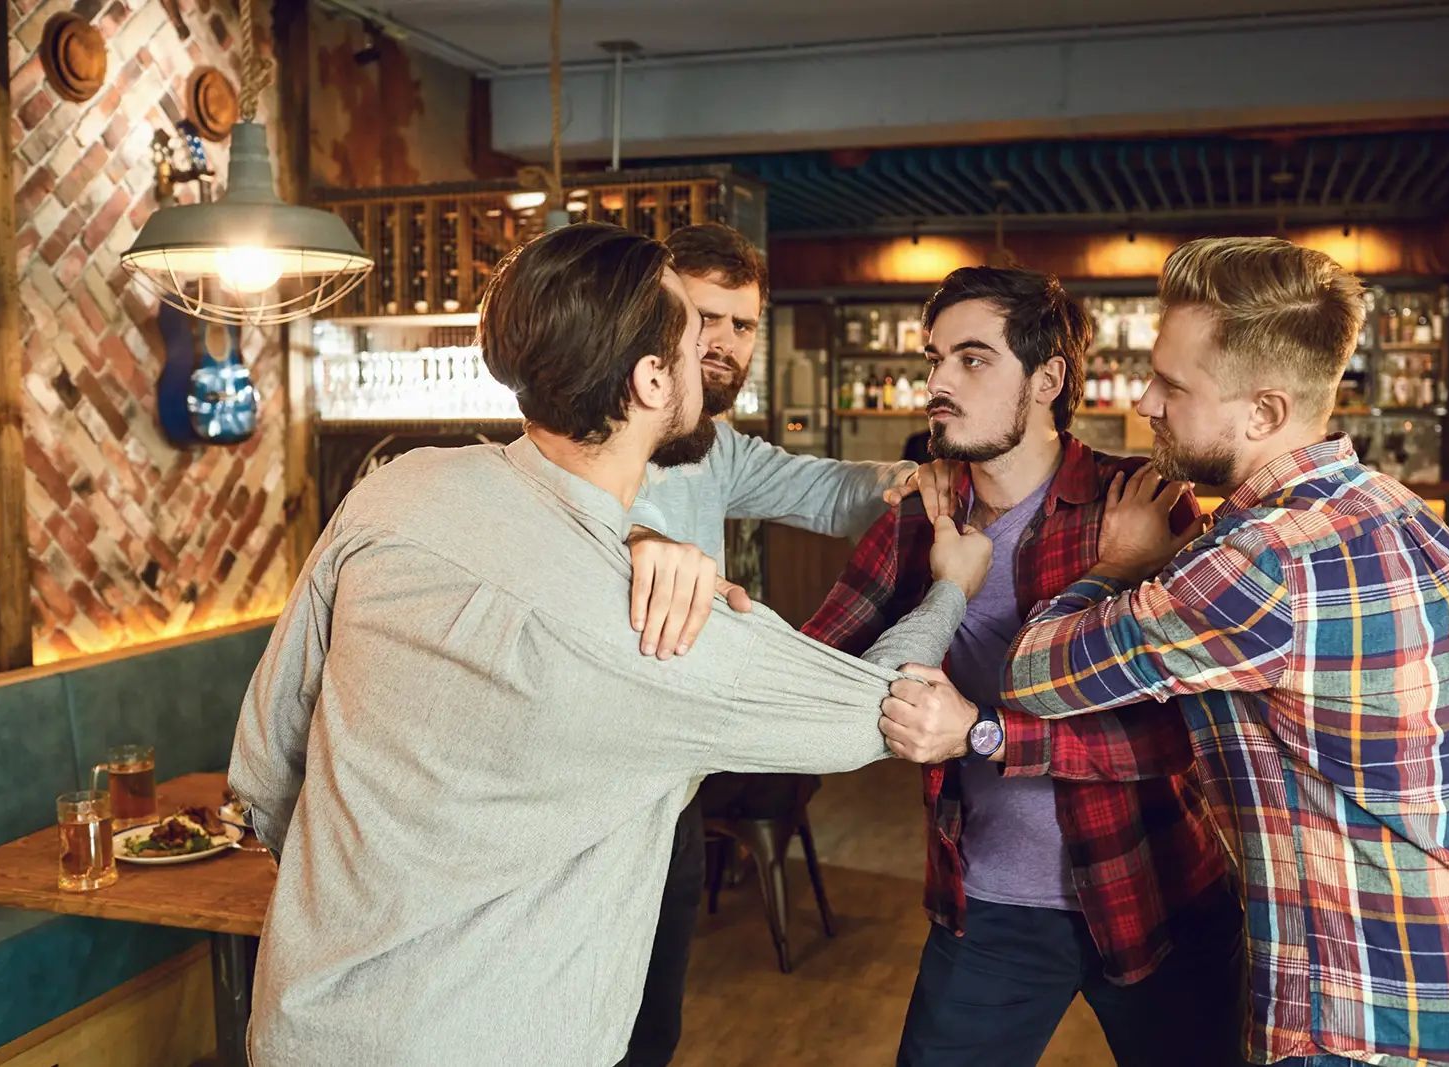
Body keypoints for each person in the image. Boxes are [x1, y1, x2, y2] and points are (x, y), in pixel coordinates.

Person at [228, 222, 992, 1067]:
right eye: (690, 328)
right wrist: (952, 583)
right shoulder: (663, 631)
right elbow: (891, 708)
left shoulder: (392, 491)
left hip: (301, 1030)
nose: (715, 345)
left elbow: (267, 766)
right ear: (653, 377)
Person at [882, 238, 1449, 1066]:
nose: (1144, 400)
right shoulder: (1412, 517)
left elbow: (1035, 667)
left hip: (1367, 1016)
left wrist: (1118, 567)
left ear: (1263, 412)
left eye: (1172, 384)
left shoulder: (1257, 563)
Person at [804, 266, 1242, 1067]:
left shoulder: (1141, 506)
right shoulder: (922, 514)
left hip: (1156, 893)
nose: (937, 381)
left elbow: (1181, 734)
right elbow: (817, 661)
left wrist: (983, 734)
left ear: (1048, 379)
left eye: (972, 359)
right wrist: (706, 599)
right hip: (991, 908)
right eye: (934, 359)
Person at [618, 222, 934, 1066]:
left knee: (652, 1027)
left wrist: (915, 482)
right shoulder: (592, 420)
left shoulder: (712, 444)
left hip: (672, 786)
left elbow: (825, 491)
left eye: (742, 324)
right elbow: (563, 508)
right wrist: (639, 538)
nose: (722, 343)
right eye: (703, 318)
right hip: (593, 786)